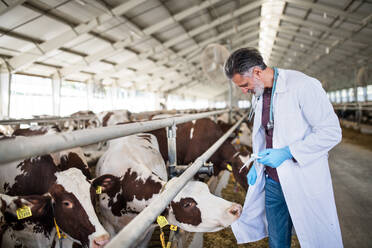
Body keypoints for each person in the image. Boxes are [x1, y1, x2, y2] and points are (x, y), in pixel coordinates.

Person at [224, 48, 343, 248]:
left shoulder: (303, 86)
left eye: (244, 85)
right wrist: (256, 164)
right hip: (272, 180)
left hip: (302, 178)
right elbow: (266, 134)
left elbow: (331, 132)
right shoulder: (259, 93)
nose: (244, 91)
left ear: (257, 72)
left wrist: (289, 152)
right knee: (277, 240)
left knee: (317, 238)